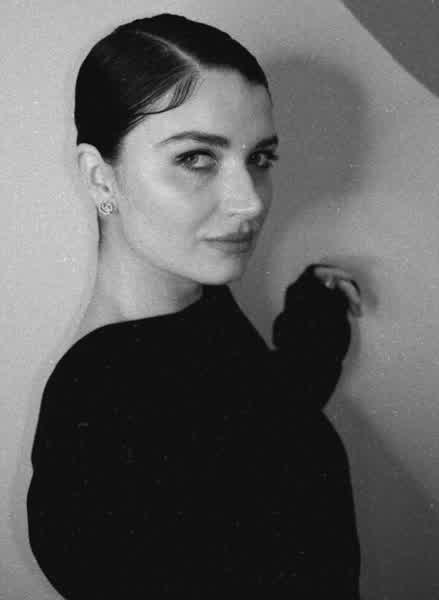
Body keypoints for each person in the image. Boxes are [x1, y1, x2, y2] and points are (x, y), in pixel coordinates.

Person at [27, 13, 362, 599]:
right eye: (196, 158)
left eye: (260, 158)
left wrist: (313, 325)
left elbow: (261, 431)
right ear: (100, 178)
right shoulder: (101, 423)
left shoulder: (197, 304)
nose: (249, 202)